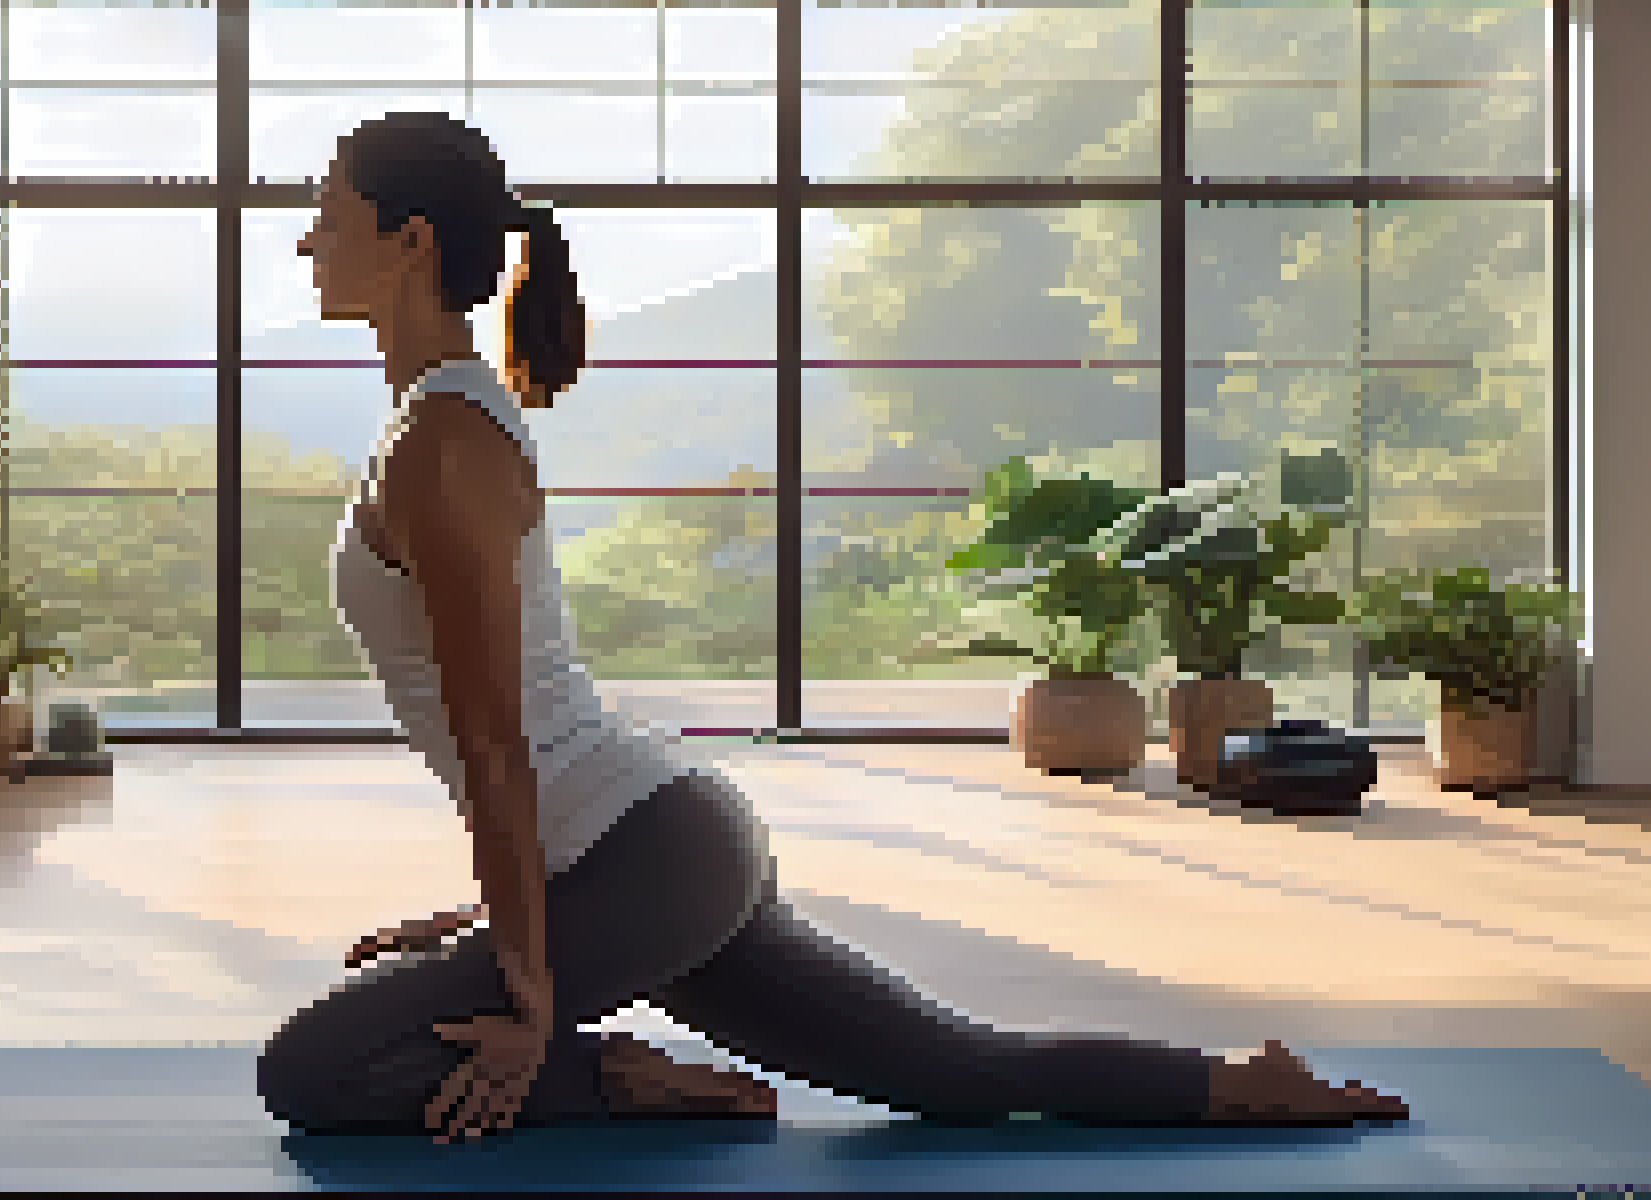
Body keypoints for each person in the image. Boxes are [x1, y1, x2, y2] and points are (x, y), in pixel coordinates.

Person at [257, 111, 1412, 1145]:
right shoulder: (434, 422)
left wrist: (523, 979)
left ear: (410, 241)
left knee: (313, 1070)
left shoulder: (441, 442)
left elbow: (499, 739)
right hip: (635, 855)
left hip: (643, 854)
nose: (308, 243)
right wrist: (503, 927)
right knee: (957, 1073)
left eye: (329, 217)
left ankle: (615, 1075)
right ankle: (1238, 1086)